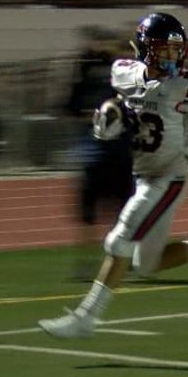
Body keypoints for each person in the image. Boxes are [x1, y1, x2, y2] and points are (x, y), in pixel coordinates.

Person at [38, 12, 188, 339]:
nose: (172, 56)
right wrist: (110, 120)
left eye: (176, 49)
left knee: (118, 240)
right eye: (164, 48)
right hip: (142, 174)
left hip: (169, 176)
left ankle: (85, 319)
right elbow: (123, 106)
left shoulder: (185, 85)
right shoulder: (125, 73)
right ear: (145, 48)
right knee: (146, 264)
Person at [63, 25, 134, 281]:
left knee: (122, 214)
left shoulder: (125, 79)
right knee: (89, 215)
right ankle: (87, 263)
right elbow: (71, 107)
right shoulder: (88, 74)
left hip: (120, 155)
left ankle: (122, 263)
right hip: (96, 154)